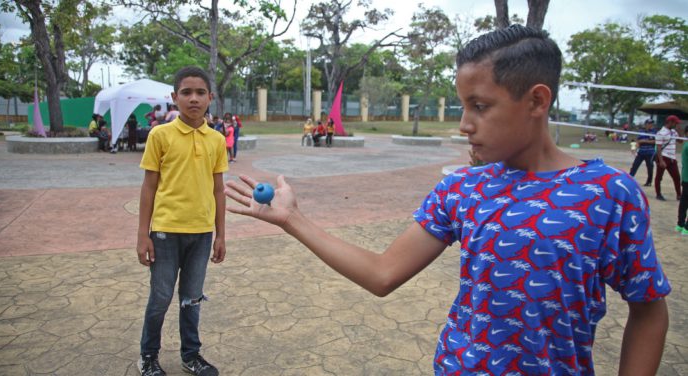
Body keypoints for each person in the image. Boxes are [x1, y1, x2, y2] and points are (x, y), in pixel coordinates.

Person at [225, 25, 670, 375]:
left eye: (479, 106)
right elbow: (383, 274)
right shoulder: (462, 189)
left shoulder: (609, 194)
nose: (463, 124)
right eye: (462, 106)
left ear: (536, 100)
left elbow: (648, 310)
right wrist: (292, 219)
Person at [136, 66, 227, 376]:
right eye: (186, 92)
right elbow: (149, 186)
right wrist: (142, 234)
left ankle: (191, 355)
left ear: (210, 98)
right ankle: (148, 356)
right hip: (165, 232)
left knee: (191, 299)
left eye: (200, 92)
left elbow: (218, 189)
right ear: (174, 97)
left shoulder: (216, 139)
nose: (193, 98)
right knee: (160, 298)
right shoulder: (160, 135)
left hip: (201, 234)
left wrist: (221, 235)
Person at [654, 115, 682, 201]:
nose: (676, 124)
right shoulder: (661, 133)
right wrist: (661, 160)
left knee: (677, 177)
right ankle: (658, 194)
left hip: (672, 158)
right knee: (659, 177)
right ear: (670, 122)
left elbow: (680, 141)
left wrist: (678, 130)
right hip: (663, 156)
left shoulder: (674, 132)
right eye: (675, 123)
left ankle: (679, 195)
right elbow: (658, 147)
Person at [629, 119, 656, 187]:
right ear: (646, 124)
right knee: (635, 165)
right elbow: (638, 141)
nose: (651, 125)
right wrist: (634, 149)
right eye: (649, 123)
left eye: (651, 124)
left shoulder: (654, 132)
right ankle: (630, 179)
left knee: (650, 167)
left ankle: (649, 181)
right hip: (641, 152)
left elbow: (655, 141)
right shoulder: (641, 132)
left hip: (650, 153)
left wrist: (644, 141)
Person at [677, 124, 688, 235]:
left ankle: (680, 225)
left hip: (685, 178)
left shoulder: (685, 144)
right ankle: (686, 228)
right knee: (684, 203)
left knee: (684, 203)